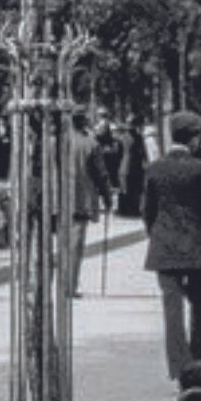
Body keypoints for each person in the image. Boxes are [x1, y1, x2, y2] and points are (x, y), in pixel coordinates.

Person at [143, 111, 201, 381]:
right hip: (198, 248)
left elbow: (148, 211)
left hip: (165, 249)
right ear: (193, 138)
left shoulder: (155, 168)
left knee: (172, 309)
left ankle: (179, 367)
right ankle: (200, 364)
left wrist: (157, 235)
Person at [67, 110, 113, 296]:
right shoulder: (91, 144)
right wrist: (108, 198)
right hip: (81, 200)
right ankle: (70, 285)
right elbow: (101, 175)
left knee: (62, 245)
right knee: (75, 246)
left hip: (59, 201)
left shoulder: (57, 142)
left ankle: (61, 283)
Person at [117, 120, 148, 218]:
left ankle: (125, 209)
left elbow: (119, 153)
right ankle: (133, 209)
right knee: (135, 189)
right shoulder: (138, 138)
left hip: (125, 165)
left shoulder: (123, 138)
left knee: (126, 188)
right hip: (134, 166)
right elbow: (143, 154)